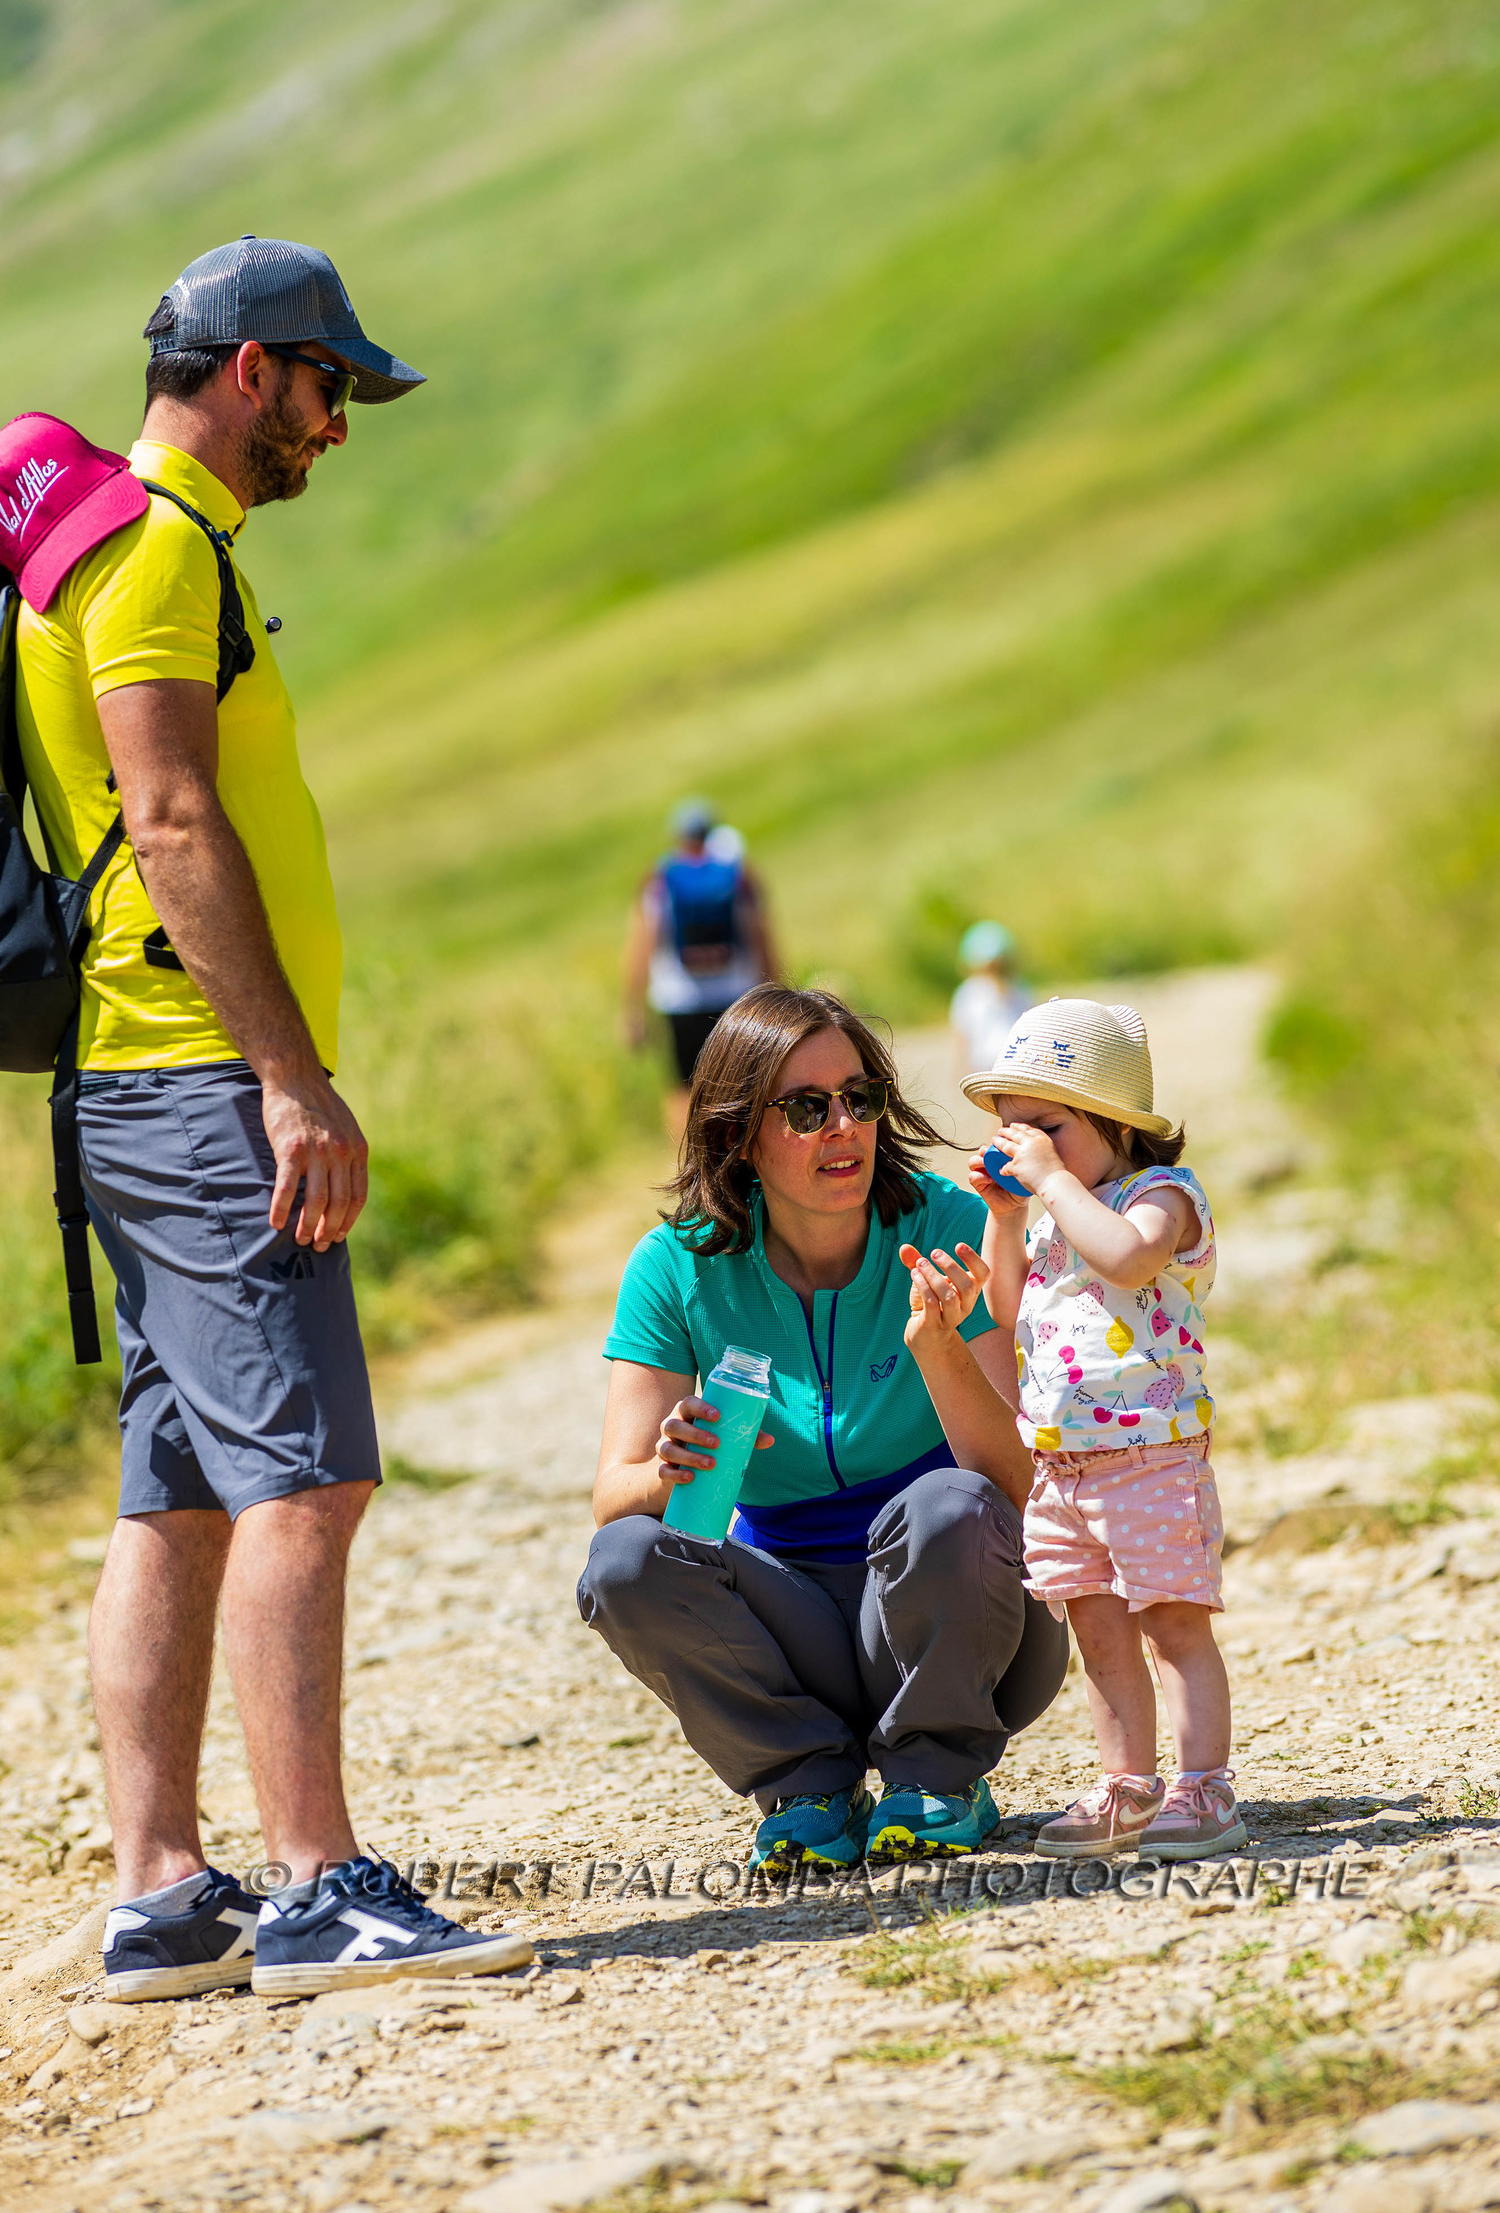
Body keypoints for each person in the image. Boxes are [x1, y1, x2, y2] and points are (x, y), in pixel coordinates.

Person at [16, 235, 535, 1999]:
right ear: (252, 369)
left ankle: (164, 1894)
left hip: (135, 1077)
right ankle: (319, 1886)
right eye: (328, 387)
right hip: (197, 1081)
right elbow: (170, 817)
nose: (337, 425)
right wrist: (290, 1080)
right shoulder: (160, 550)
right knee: (310, 1474)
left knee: (178, 1496)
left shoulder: (103, 544)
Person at [577, 984, 1071, 1869]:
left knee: (948, 1503)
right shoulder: (674, 1265)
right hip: (790, 1632)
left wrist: (940, 1349)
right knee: (623, 1561)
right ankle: (806, 1785)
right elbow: (614, 1496)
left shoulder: (950, 1224)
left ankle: (939, 1775)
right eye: (806, 1109)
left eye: (860, 1098)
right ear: (738, 1133)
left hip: (970, 1621)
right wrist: (669, 1469)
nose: (843, 1128)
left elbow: (1019, 1482)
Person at [925, 996, 1242, 1861]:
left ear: (1116, 1124)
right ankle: (1126, 1783)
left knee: (1172, 1624)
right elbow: (1006, 1308)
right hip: (1064, 1468)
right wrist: (1006, 1215)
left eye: (1049, 1127)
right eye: (1013, 1128)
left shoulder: (1160, 1197)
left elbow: (1132, 1258)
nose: (1028, 1147)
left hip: (1151, 1458)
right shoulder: (1058, 1216)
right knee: (1099, 1634)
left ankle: (1205, 1787)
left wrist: (1054, 1186)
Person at [621, 797, 779, 1134]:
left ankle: (686, 1159)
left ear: (678, 836)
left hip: (679, 1001)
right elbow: (761, 937)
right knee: (741, 1084)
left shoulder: (661, 880)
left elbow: (642, 946)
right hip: (734, 997)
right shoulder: (738, 876)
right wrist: (777, 994)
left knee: (683, 1089)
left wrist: (633, 1008)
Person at [949, 920, 1028, 1075]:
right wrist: (962, 1070)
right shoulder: (969, 993)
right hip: (983, 1066)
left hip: (1015, 1063)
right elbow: (962, 1035)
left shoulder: (1019, 988)